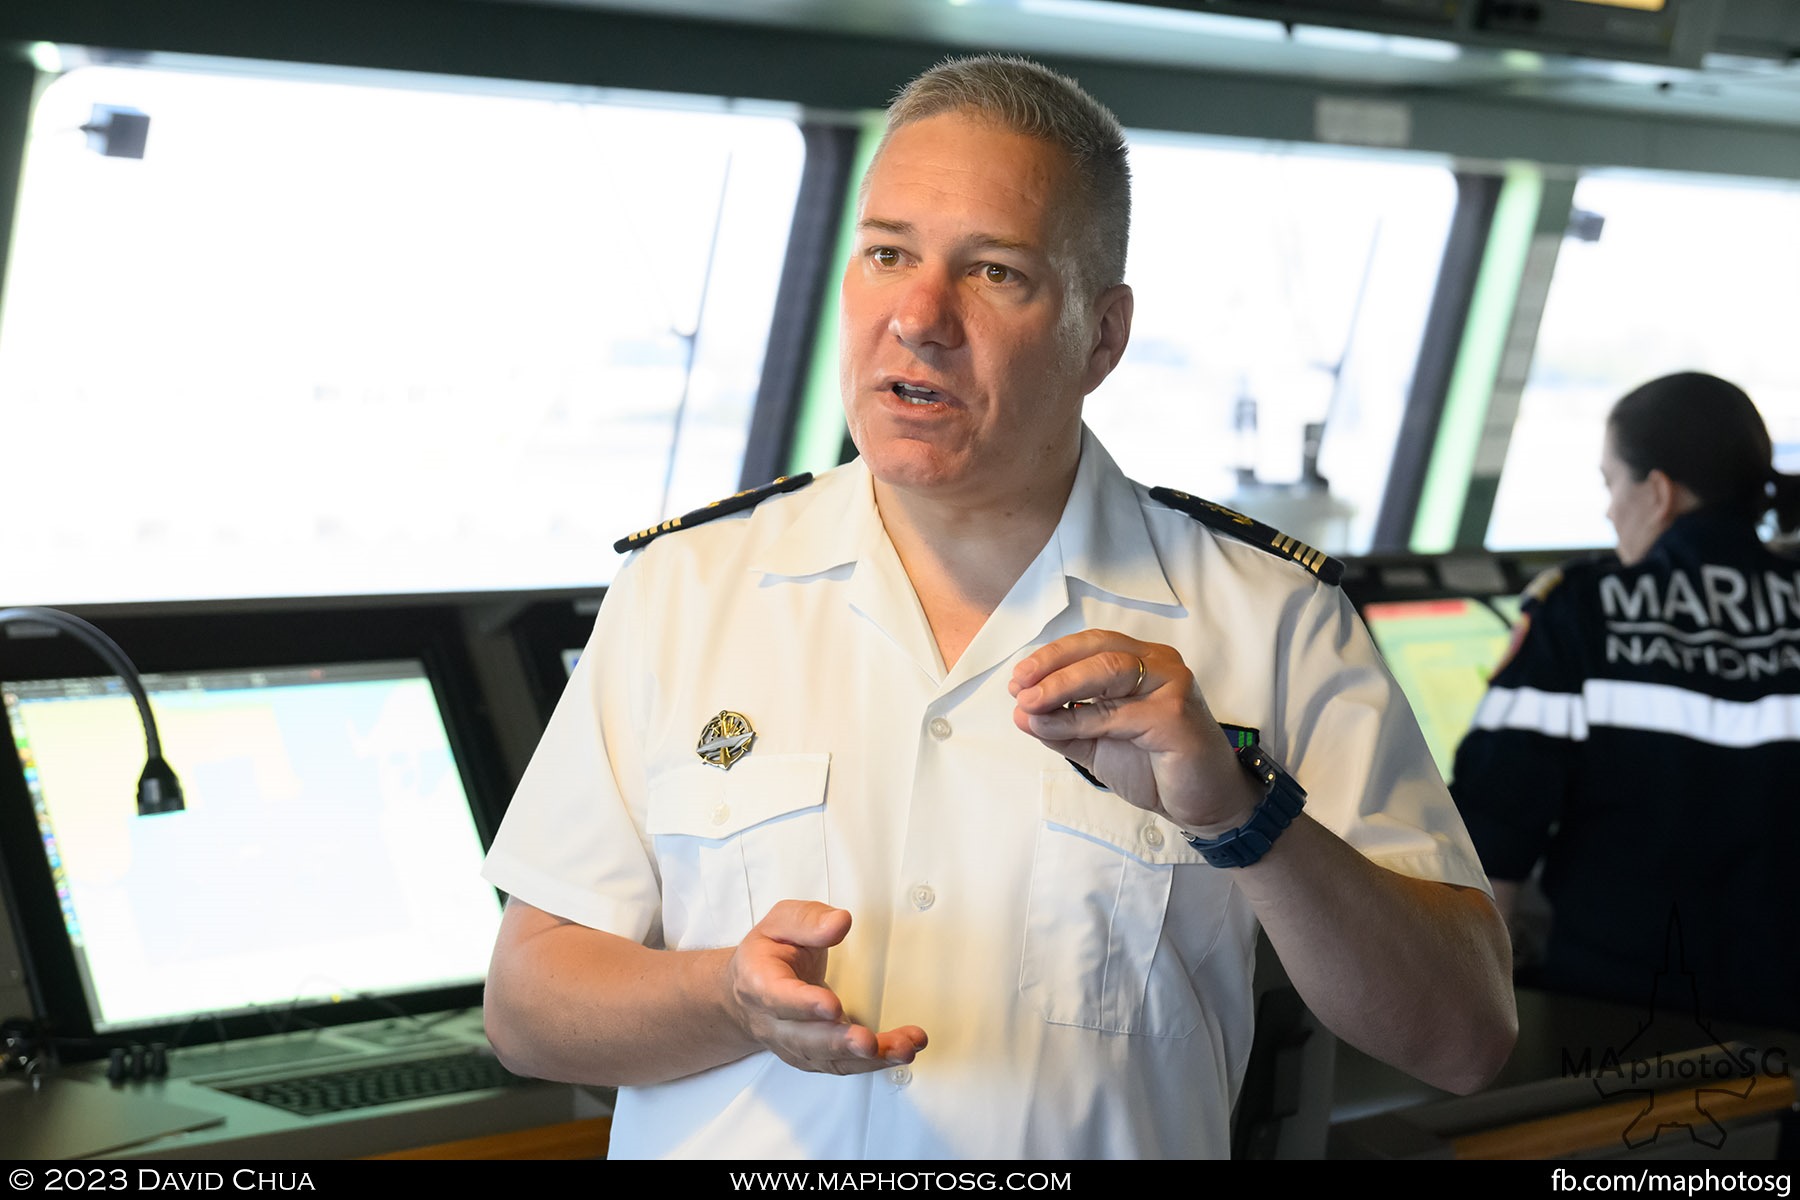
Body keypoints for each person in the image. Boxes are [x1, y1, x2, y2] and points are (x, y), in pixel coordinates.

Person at [481, 55, 1514, 1159]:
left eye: (995, 273)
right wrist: (726, 1002)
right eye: (887, 254)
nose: (918, 318)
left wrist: (1237, 815)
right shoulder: (682, 592)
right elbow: (529, 1006)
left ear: (1102, 338)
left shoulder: (1269, 619)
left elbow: (1463, 1039)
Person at [1452, 372, 1800, 1035]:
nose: (1610, 510)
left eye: (1611, 483)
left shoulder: (1581, 610)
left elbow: (1487, 855)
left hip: (1619, 1026)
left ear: (1660, 491)